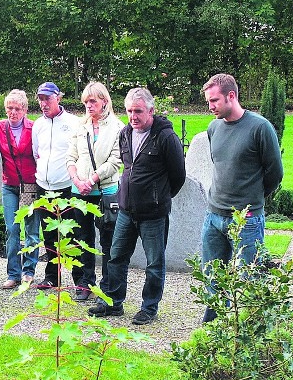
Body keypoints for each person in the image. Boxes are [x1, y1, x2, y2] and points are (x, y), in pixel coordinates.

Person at [88, 88, 186, 325]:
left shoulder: (166, 137)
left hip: (153, 213)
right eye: (130, 110)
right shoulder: (125, 134)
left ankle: (149, 307)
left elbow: (178, 176)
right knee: (116, 257)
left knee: (154, 263)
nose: (133, 116)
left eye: (138, 111)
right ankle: (113, 302)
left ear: (151, 111)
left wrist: (158, 197)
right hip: (126, 210)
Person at [200, 73, 283, 322]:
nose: (211, 106)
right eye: (208, 102)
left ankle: (253, 336)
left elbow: (275, 174)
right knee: (213, 279)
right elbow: (220, 166)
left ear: (231, 96)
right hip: (213, 218)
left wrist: (253, 200)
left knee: (250, 280)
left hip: (247, 221)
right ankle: (214, 331)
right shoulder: (213, 128)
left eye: (214, 100)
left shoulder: (260, 127)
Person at [66, 82, 124, 300]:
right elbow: (71, 157)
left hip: (105, 191)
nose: (88, 106)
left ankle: (107, 285)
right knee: (82, 239)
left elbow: (115, 160)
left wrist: (92, 179)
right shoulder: (80, 127)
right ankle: (85, 282)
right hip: (79, 191)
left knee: (108, 241)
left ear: (104, 102)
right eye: (86, 102)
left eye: (93, 101)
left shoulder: (117, 127)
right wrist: (76, 179)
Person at [31, 82, 79, 289]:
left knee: (71, 235)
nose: (44, 103)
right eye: (40, 99)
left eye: (47, 99)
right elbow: (36, 153)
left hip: (66, 186)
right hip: (44, 185)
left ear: (58, 98)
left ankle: (80, 280)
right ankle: (52, 276)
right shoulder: (38, 125)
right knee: (49, 234)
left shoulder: (74, 123)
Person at [0, 89, 40, 290]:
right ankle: (13, 273)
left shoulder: (34, 128)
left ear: (25, 109)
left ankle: (29, 271)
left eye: (17, 109)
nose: (13, 112)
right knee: (12, 229)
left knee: (31, 230)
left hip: (30, 185)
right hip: (10, 184)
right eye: (9, 108)